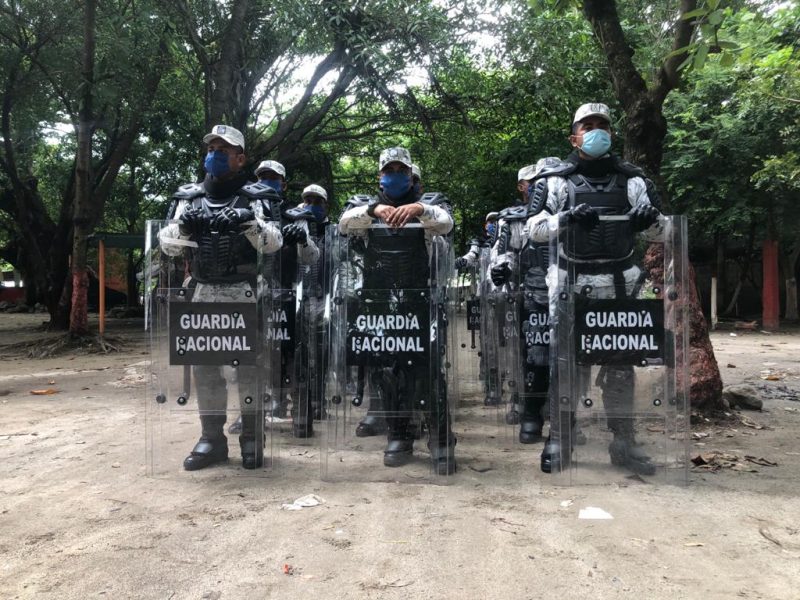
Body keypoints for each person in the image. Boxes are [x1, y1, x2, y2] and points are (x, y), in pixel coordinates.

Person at [526, 102, 663, 474]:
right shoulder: (555, 181)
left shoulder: (634, 180)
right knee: (566, 365)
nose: (596, 130)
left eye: (602, 124)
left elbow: (664, 231)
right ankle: (561, 437)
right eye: (588, 125)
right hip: (572, 284)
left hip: (621, 285)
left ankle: (624, 441)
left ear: (612, 133)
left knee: (621, 366)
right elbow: (534, 230)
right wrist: (566, 218)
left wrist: (649, 221)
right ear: (575, 135)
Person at [159, 124, 283, 470]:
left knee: (248, 370)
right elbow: (166, 245)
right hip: (201, 292)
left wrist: (247, 221)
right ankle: (211, 438)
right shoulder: (189, 197)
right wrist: (184, 227)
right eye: (211, 149)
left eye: (223, 150)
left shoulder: (258, 197)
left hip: (244, 292)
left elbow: (274, 242)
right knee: (205, 369)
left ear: (239, 158)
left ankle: (252, 439)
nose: (214, 154)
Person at [337, 147, 457, 474]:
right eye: (388, 169)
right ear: (380, 176)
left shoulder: (432, 205)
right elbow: (345, 225)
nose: (394, 175)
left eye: (400, 170)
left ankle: (441, 438)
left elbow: (446, 223)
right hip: (379, 305)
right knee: (387, 371)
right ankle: (399, 434)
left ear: (411, 175)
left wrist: (418, 209)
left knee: (427, 371)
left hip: (421, 303)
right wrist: (375, 210)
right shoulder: (365, 207)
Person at [488, 159, 560, 442]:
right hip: (533, 296)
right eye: (535, 180)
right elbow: (503, 252)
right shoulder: (514, 220)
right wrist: (502, 267)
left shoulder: (576, 207)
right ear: (523, 186)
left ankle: (566, 414)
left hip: (572, 292)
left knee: (571, 357)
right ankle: (530, 412)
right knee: (536, 356)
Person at [292, 183, 333, 437]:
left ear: (325, 205)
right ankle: (295, 404)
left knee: (321, 350)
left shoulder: (334, 231)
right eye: (308, 200)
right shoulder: (295, 226)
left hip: (322, 298)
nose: (312, 205)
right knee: (297, 352)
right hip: (295, 298)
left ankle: (319, 400)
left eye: (317, 201)